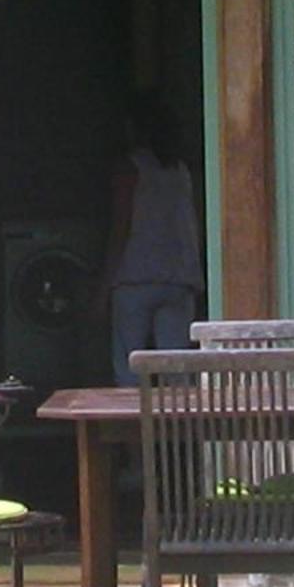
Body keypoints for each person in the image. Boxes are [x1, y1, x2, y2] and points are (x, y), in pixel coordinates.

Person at [102, 95, 205, 386]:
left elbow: (121, 227)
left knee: (129, 370)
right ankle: (179, 429)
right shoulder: (180, 170)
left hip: (135, 277)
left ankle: (132, 430)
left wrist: (104, 285)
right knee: (177, 370)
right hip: (178, 278)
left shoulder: (129, 168)